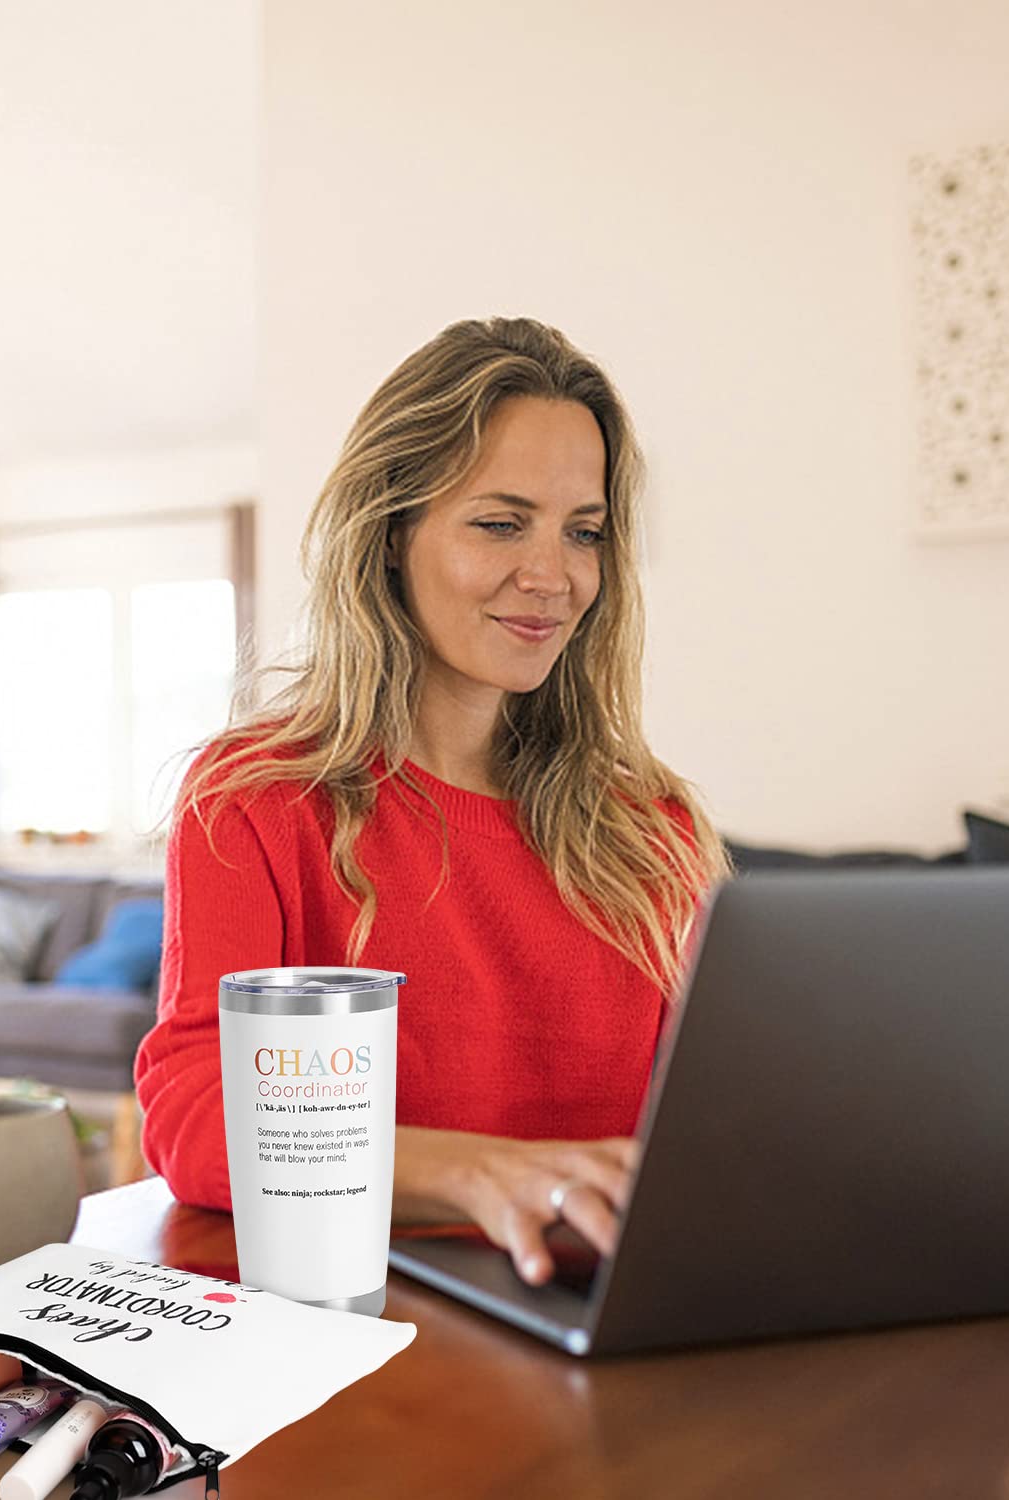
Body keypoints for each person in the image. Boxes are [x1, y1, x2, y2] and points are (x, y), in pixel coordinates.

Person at [134, 316, 732, 1286]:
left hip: (604, 1316)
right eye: (500, 523)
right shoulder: (258, 800)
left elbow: (723, 1124)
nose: (553, 577)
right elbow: (198, 1117)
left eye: (583, 532)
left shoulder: (651, 831)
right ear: (391, 531)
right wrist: (475, 1176)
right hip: (361, 1316)